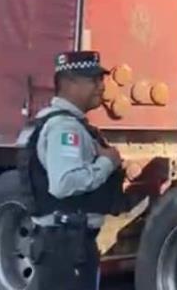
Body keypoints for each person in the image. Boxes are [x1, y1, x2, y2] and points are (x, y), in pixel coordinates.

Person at [20, 51, 126, 290]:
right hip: (66, 245)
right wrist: (107, 163)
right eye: (93, 80)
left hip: (63, 242)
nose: (101, 86)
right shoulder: (65, 128)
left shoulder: (58, 122)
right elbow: (64, 183)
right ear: (69, 83)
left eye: (101, 79)